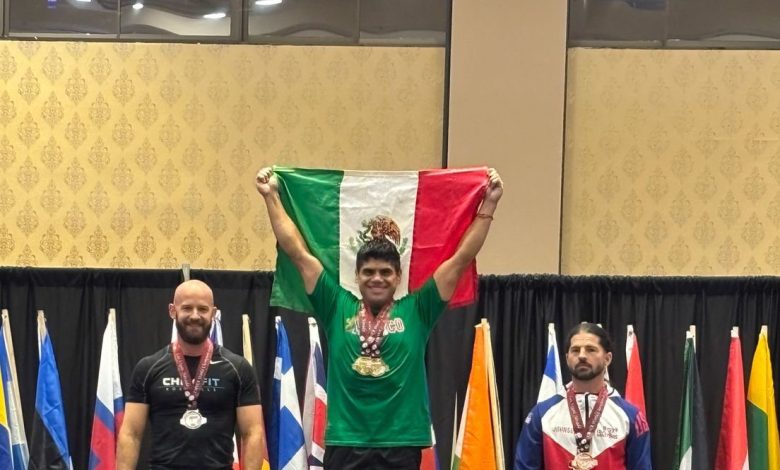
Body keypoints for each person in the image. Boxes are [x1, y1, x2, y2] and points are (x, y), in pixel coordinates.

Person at [255, 166, 503, 470]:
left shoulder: (419, 309)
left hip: (401, 443)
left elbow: (461, 259)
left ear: (398, 277)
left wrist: (489, 204)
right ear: (357, 277)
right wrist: (271, 197)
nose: (377, 278)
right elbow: (297, 253)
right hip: (346, 441)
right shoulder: (335, 305)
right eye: (368, 272)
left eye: (386, 272)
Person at [117, 279, 266, 470]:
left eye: (203, 309)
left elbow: (253, 433)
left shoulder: (239, 368)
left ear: (213, 313)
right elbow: (131, 433)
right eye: (187, 308)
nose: (195, 316)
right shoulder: (148, 368)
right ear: (173, 310)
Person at [513, 323, 652, 470]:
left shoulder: (631, 416)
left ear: (607, 358)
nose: (582, 355)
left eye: (591, 349)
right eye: (575, 350)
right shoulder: (541, 413)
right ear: (567, 358)